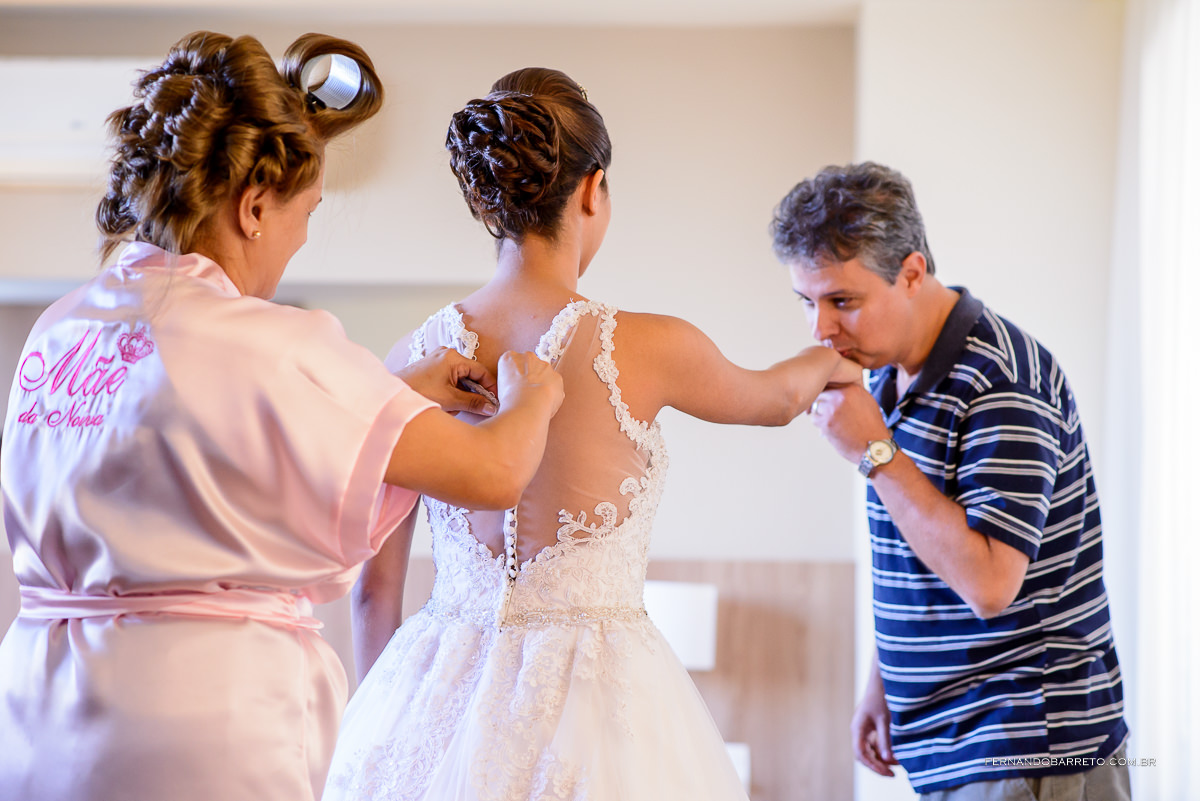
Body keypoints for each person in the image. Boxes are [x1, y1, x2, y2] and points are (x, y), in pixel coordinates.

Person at [0, 32, 564, 801]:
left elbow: (192, 438)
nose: (301, 238)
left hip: (42, 709)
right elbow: (493, 470)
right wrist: (534, 397)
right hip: (198, 725)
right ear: (255, 206)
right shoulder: (267, 340)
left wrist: (395, 389)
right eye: (309, 211)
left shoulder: (60, 329)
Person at [321, 68, 861, 801]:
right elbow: (772, 399)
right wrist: (829, 356)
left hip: (434, 682)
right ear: (591, 189)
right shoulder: (651, 345)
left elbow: (373, 589)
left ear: (489, 198)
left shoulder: (414, 358)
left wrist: (390, 726)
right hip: (600, 706)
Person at [772, 162, 1130, 800]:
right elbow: (917, 548)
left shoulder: (1002, 380)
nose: (821, 329)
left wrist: (876, 452)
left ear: (911, 273)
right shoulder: (882, 377)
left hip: (1027, 749)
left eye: (842, 301)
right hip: (954, 747)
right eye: (808, 301)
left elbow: (991, 583)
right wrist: (884, 684)